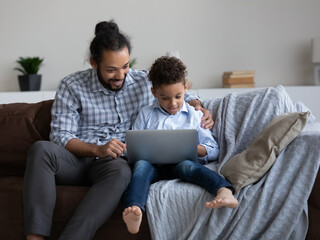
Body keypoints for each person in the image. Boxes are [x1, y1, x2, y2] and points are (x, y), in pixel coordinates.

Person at [23, 20, 214, 240]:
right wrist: (97, 149)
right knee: (40, 150)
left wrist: (199, 106)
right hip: (76, 159)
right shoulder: (71, 85)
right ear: (94, 63)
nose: (120, 75)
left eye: (125, 66)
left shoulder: (144, 80)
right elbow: (60, 136)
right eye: (111, 70)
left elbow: (178, 91)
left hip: (112, 165)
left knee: (122, 171)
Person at [122, 56, 238, 235]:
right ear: (154, 93)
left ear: (185, 87)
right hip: (152, 166)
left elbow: (213, 150)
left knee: (188, 166)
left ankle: (224, 190)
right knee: (140, 167)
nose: (173, 103)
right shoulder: (145, 114)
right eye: (164, 98)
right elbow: (133, 146)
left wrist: (195, 149)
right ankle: (134, 209)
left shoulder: (195, 115)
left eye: (178, 96)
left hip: (181, 164)